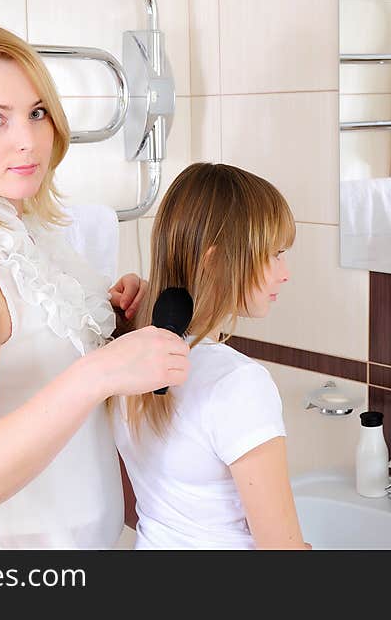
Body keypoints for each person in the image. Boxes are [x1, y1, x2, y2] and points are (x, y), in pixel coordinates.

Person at [0, 22, 190, 549]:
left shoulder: (32, 233)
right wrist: (98, 373)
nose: (27, 140)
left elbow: (33, 362)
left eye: (37, 112)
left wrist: (112, 323)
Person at [111, 163, 309, 550]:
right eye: (275, 254)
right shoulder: (238, 383)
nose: (285, 273)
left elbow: (134, 506)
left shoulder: (128, 355)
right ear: (215, 262)